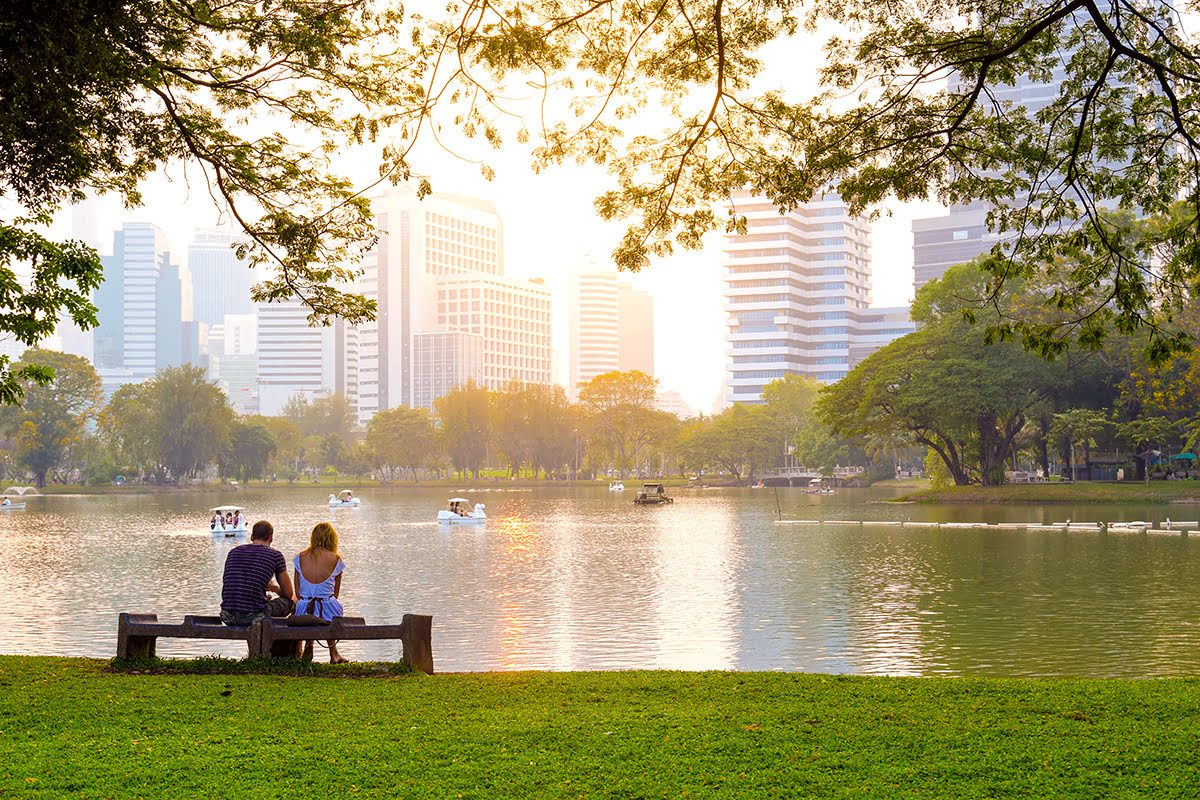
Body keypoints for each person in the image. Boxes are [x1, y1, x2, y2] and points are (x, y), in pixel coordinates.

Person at [220, 520, 294, 626]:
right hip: (255, 616)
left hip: (227, 616)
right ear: (271, 538)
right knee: (291, 602)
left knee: (259, 605)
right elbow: (288, 594)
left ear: (252, 537)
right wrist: (274, 588)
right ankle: (293, 641)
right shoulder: (275, 555)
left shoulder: (233, 552)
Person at [293, 521, 348, 663]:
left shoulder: (299, 557)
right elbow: (335, 594)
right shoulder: (336, 559)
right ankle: (333, 653)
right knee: (329, 604)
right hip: (327, 610)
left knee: (309, 603)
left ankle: (309, 644)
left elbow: (298, 593)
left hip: (304, 609)